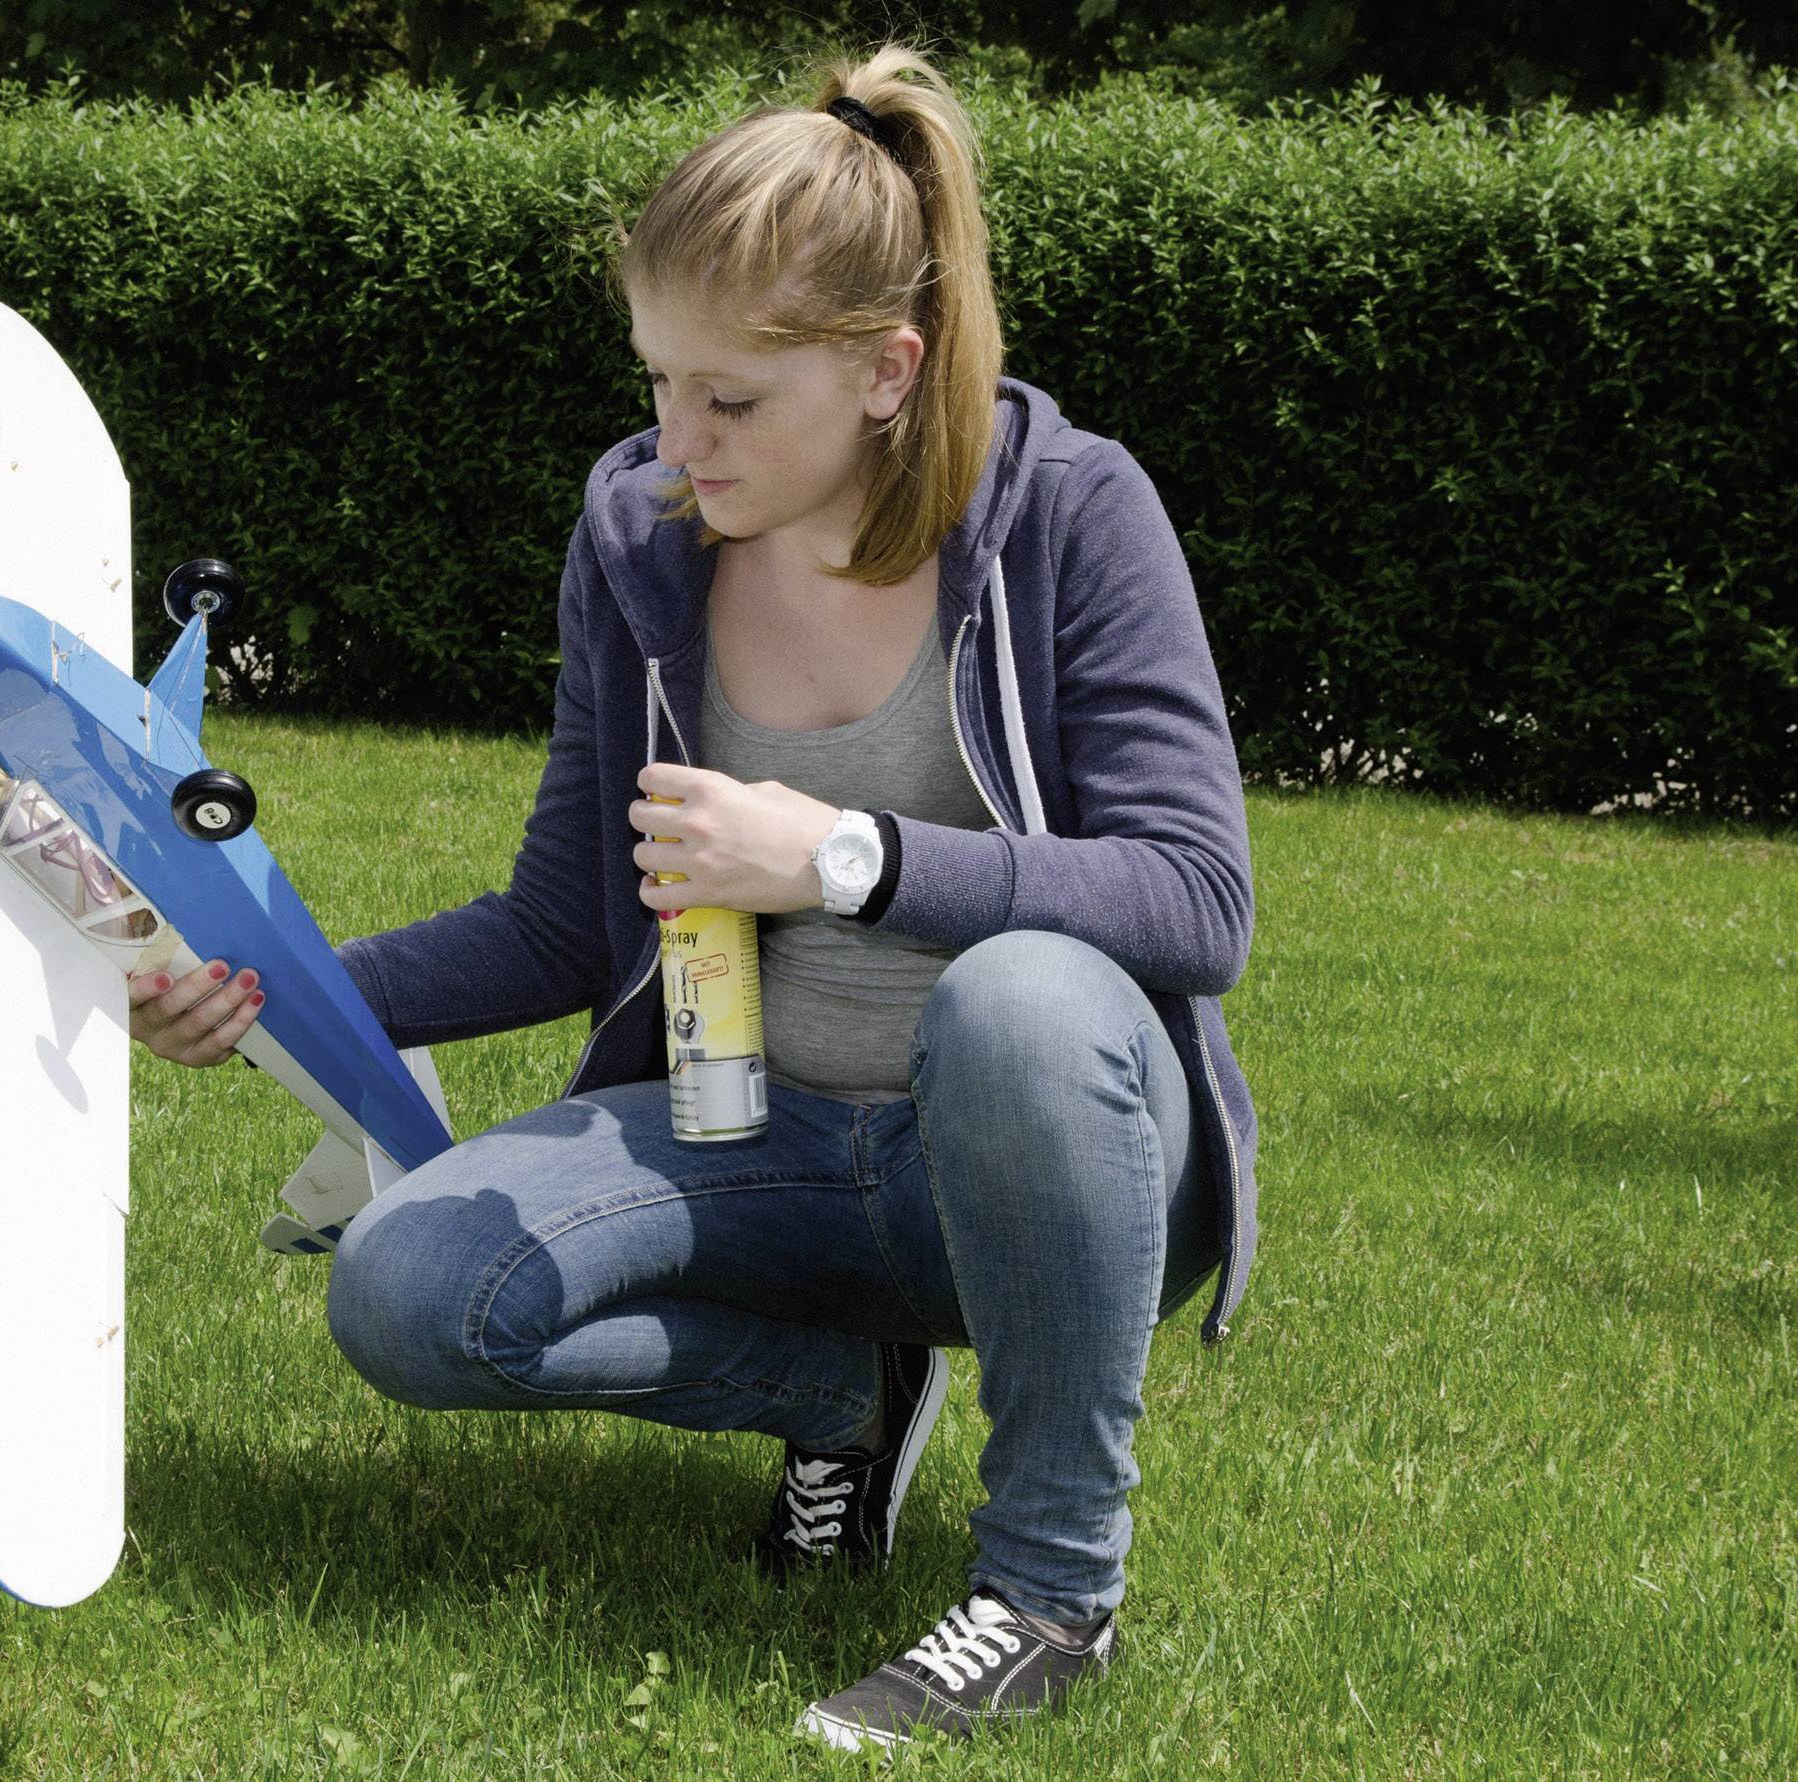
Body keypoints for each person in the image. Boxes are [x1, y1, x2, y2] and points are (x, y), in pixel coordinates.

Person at [128, 39, 1259, 1757]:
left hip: (1049, 1171)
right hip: (756, 1138)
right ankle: (844, 1394)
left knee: (1021, 998)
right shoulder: (642, 541)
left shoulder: (1072, 516)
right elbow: (558, 922)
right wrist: (268, 988)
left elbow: (1194, 901)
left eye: (732, 400)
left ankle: (1045, 1589)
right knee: (405, 1285)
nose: (679, 439)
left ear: (890, 372)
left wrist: (838, 856)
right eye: (661, 381)